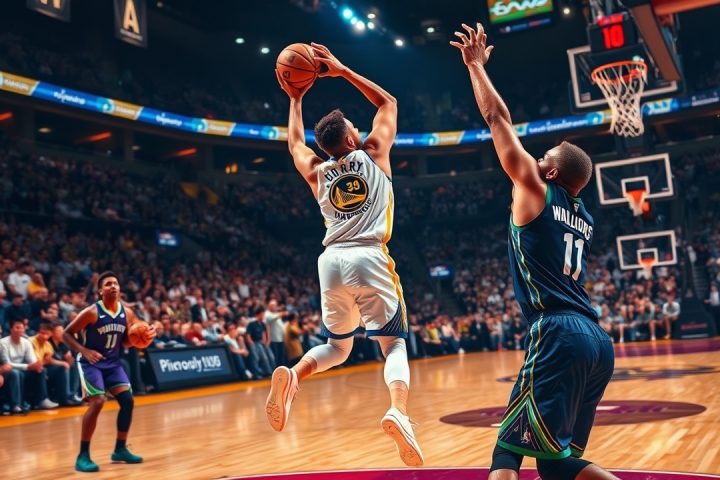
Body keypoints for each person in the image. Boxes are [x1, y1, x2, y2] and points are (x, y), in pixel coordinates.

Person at [451, 23, 616, 480]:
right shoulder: (584, 216)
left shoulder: (535, 188)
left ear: (553, 172)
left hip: (559, 332)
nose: (535, 157)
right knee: (555, 467)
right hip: (597, 341)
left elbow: (497, 120)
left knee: (506, 453)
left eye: (544, 155)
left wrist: (475, 66)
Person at [267, 42, 423, 466]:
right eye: (355, 126)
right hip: (369, 255)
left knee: (338, 348)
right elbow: (388, 102)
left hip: (330, 261)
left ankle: (294, 374)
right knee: (394, 344)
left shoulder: (317, 172)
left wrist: (295, 99)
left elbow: (294, 145)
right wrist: (341, 70)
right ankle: (399, 411)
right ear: (353, 137)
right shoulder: (373, 153)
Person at [63, 271, 156, 473]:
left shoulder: (128, 313)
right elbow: (66, 334)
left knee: (128, 401)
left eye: (115, 283)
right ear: (100, 291)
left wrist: (144, 336)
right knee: (97, 401)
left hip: (113, 363)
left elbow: (126, 341)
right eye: (108, 284)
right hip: (91, 363)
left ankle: (120, 449)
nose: (113, 286)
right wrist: (84, 351)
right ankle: (83, 455)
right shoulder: (91, 312)